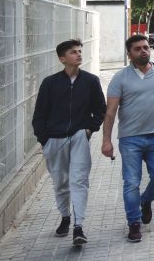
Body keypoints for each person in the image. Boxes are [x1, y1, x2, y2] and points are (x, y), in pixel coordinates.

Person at [102, 34, 154, 243]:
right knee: (131, 182)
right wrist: (106, 141)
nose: (144, 50)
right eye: (138, 48)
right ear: (129, 54)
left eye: (146, 47)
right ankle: (134, 223)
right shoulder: (120, 78)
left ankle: (145, 201)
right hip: (130, 138)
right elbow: (110, 113)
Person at [32, 39, 106, 246]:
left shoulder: (91, 81)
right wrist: (44, 139)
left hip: (79, 136)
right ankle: (65, 217)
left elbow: (100, 108)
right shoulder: (50, 83)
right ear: (62, 58)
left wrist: (89, 129)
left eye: (80, 51)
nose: (79, 54)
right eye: (73, 52)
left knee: (79, 179)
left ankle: (78, 226)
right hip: (54, 139)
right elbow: (39, 114)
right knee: (61, 182)